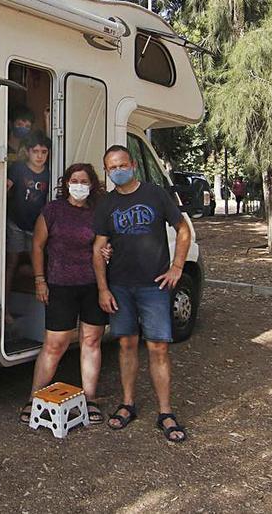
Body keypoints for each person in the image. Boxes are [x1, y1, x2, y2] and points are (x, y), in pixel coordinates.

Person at [93, 145, 192, 442]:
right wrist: (102, 288)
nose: (117, 171)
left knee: (158, 348)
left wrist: (177, 267)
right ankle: (128, 404)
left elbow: (183, 230)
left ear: (133, 165)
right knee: (125, 345)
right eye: (111, 168)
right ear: (107, 172)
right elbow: (98, 249)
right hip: (120, 286)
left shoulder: (156, 194)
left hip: (154, 286)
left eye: (122, 165)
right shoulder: (106, 204)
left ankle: (165, 412)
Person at [18, 163, 108, 425]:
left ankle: (89, 399)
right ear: (66, 183)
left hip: (93, 285)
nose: (79, 185)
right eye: (74, 180)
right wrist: (39, 280)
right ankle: (34, 398)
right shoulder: (53, 210)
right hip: (59, 285)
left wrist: (108, 252)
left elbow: (104, 245)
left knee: (91, 342)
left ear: (92, 185)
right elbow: (37, 245)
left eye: (84, 181)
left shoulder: (98, 212)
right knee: (55, 344)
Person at [6, 133, 51, 291]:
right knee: (11, 263)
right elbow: (6, 186)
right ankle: (7, 309)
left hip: (37, 226)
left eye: (44, 152)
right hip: (15, 223)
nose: (39, 156)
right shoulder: (18, 169)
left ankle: (42, 308)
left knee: (38, 266)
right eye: (35, 151)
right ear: (28, 151)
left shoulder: (49, 173)